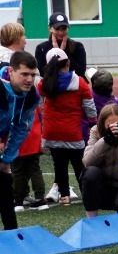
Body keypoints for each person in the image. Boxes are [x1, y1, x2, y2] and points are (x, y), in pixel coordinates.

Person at [38, 48, 96, 207]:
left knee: (59, 164)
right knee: (79, 164)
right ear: (68, 62)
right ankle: (87, 194)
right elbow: (90, 107)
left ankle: (64, 196)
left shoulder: (45, 83)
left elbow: (37, 102)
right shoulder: (80, 82)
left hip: (51, 130)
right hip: (72, 132)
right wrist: (93, 123)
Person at [0, 51, 40, 230]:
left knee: (4, 179)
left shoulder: (31, 96)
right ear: (10, 71)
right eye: (24, 74)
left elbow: (21, 128)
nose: (30, 80)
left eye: (33, 75)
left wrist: (6, 159)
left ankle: (12, 234)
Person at [35, 13, 87, 78]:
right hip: (51, 86)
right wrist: (56, 53)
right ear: (50, 28)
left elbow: (81, 72)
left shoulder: (78, 46)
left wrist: (62, 53)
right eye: (57, 29)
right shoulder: (42, 48)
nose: (61, 32)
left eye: (64, 28)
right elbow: (42, 73)